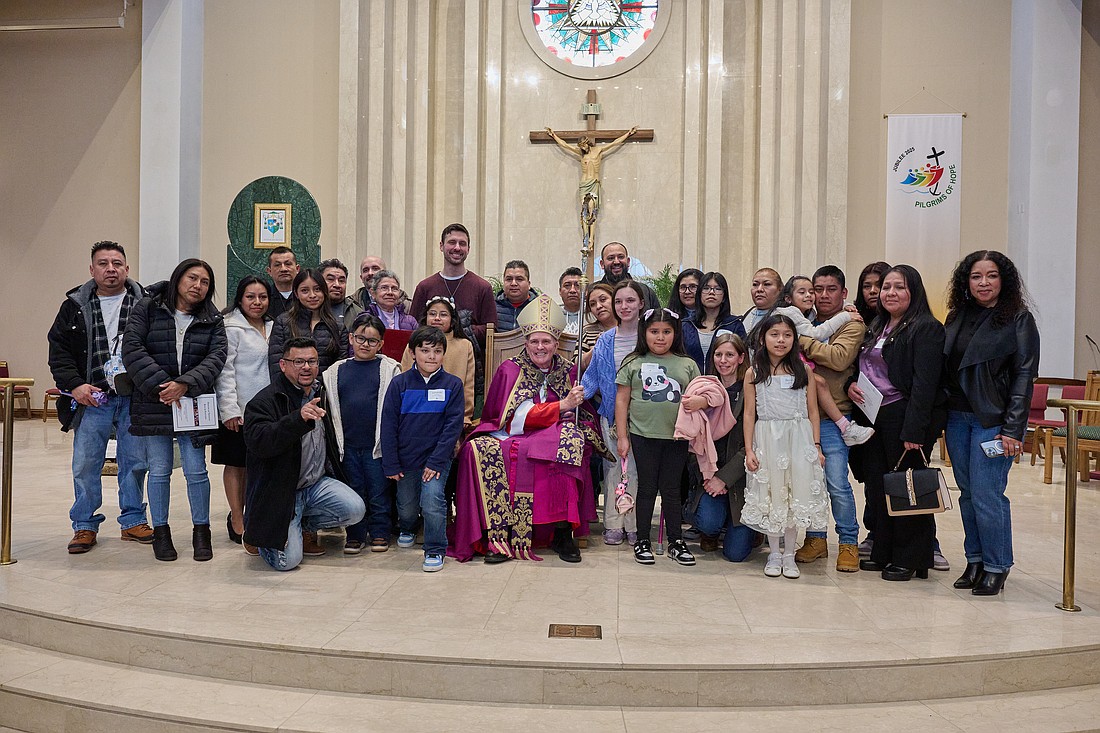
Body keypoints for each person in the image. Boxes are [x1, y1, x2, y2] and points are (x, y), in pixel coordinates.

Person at [452, 294, 606, 563]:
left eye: (546, 341)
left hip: (554, 432)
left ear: (557, 344)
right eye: (534, 341)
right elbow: (508, 418)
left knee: (570, 445)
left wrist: (573, 409)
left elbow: (582, 412)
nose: (540, 347)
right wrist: (561, 406)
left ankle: (561, 532)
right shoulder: (510, 369)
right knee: (477, 450)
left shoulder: (569, 370)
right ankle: (498, 535)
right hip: (512, 433)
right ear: (525, 343)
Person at [943, 250, 1039, 596]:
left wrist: (1013, 429)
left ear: (1004, 280)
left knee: (987, 494)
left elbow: (1024, 376)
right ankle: (975, 559)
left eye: (992, 275)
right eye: (976, 276)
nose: (984, 283)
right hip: (956, 417)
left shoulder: (1018, 318)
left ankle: (997, 565)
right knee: (968, 494)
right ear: (966, 282)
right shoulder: (956, 316)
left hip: (992, 421)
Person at [48, 241, 152, 553]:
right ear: (91, 269)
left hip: (134, 399)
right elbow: (59, 352)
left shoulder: (146, 304)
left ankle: (133, 520)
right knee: (85, 463)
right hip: (92, 398)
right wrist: (76, 386)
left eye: (117, 263)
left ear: (127, 269)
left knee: (135, 462)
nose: (111, 269)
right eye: (103, 263)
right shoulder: (73, 306)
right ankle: (84, 525)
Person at [122, 259, 227, 562]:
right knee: (159, 470)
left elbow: (216, 356)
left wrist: (184, 384)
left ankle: (201, 532)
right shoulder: (147, 307)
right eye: (192, 278)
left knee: (196, 470)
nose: (197, 285)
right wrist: (163, 386)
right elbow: (133, 348)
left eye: (205, 282)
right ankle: (162, 532)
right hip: (154, 400)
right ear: (178, 279)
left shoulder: (213, 318)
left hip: (192, 401)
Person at [848, 265, 946, 582]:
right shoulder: (878, 326)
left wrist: (915, 431)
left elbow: (925, 385)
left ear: (913, 291)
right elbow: (863, 366)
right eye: (886, 287)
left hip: (904, 416)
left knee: (908, 489)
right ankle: (884, 551)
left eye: (898, 287)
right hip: (873, 416)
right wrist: (851, 384)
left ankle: (911, 557)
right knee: (879, 487)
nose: (889, 293)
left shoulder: (926, 328)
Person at [243, 338, 366, 571]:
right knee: (287, 563)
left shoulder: (323, 393)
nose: (306, 367)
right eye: (298, 361)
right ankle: (259, 537)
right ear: (283, 365)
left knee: (355, 509)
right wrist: (297, 419)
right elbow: (260, 443)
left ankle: (301, 526)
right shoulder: (265, 401)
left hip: (315, 485)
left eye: (311, 361)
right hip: (281, 493)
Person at [741, 313, 828, 579]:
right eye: (774, 334)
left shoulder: (804, 371)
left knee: (794, 495)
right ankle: (775, 552)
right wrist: (749, 450)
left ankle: (790, 553)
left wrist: (816, 445)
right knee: (773, 494)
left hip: (798, 439)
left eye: (787, 335)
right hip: (768, 438)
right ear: (763, 338)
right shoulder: (753, 372)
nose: (781, 340)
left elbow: (813, 411)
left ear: (794, 339)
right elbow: (748, 414)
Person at [794, 266, 869, 572]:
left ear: (843, 293)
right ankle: (815, 538)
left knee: (837, 482)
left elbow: (838, 358)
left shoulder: (851, 325)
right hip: (799, 416)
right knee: (809, 483)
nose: (822, 295)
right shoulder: (806, 319)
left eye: (830, 289)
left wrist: (798, 339)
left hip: (832, 416)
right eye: (817, 289)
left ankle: (849, 542)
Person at [615, 307, 702, 566]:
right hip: (642, 435)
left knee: (672, 489)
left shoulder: (687, 364)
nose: (660, 337)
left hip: (677, 437)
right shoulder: (633, 362)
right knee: (647, 488)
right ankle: (643, 539)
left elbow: (703, 393)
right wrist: (622, 436)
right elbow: (622, 401)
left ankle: (676, 540)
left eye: (666, 332)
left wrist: (700, 401)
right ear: (645, 333)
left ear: (675, 334)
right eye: (654, 332)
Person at [382, 327, 465, 572]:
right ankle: (407, 527)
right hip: (406, 458)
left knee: (432, 500)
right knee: (406, 505)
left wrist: (437, 461)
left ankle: (435, 549)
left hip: (436, 458)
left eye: (437, 351)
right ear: (412, 352)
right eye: (425, 350)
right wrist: (391, 462)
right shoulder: (399, 384)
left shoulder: (453, 384)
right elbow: (388, 424)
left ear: (444, 355)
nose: (431, 356)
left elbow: (453, 427)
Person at [322, 313, 401, 554]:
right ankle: (355, 534)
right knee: (354, 489)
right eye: (360, 338)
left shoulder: (390, 369)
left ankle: (379, 532)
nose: (365, 344)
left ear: (381, 344)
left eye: (372, 341)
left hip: (376, 445)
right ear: (350, 339)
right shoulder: (335, 371)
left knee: (378, 492)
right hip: (348, 445)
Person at [581, 280, 646, 545]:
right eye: (619, 301)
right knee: (614, 468)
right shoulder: (606, 340)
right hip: (611, 412)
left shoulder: (650, 334)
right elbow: (592, 377)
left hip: (645, 416)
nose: (624, 306)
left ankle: (635, 524)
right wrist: (573, 397)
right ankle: (613, 523)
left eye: (630, 301)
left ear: (641, 303)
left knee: (639, 470)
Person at [774, 274, 874, 446]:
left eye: (811, 292)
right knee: (819, 382)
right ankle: (846, 428)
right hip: (784, 365)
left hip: (795, 365)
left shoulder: (806, 313)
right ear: (788, 298)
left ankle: (846, 427)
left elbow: (838, 357)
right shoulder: (790, 313)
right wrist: (845, 316)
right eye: (803, 292)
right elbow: (816, 333)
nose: (810, 296)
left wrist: (848, 307)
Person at [213, 275, 273, 544]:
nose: (257, 302)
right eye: (250, 296)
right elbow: (224, 371)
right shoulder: (230, 327)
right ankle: (237, 517)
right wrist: (229, 409)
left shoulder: (274, 326)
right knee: (237, 464)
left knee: (258, 465)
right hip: (239, 410)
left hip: (268, 411)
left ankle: (255, 513)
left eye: (262, 297)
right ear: (240, 298)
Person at [689, 334, 754, 561]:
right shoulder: (703, 390)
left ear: (741, 358)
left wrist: (725, 479)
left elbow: (754, 443)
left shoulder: (750, 392)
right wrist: (709, 478)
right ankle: (712, 529)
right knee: (708, 522)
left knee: (735, 555)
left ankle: (750, 530)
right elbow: (693, 441)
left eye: (730, 355)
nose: (723, 360)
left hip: (741, 478)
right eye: (718, 355)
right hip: (709, 476)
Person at [409, 223, 498, 347]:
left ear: (468, 249)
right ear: (441, 246)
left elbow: (491, 331)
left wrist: (460, 329)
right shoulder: (425, 287)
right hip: (430, 359)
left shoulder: (482, 287)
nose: (457, 248)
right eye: (452, 242)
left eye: (462, 243)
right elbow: (413, 327)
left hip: (468, 360)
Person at [401, 296, 476, 429]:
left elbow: (468, 384)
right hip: (417, 413)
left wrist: (465, 415)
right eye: (432, 314)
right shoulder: (413, 345)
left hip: (452, 414)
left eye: (443, 315)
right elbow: (405, 377)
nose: (437, 318)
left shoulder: (465, 345)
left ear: (452, 321)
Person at [268, 269, 349, 379]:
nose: (312, 295)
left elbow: (341, 367)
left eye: (317, 289)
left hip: (326, 392)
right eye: (305, 291)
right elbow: (276, 365)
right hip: (290, 392)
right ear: (296, 293)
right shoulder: (283, 322)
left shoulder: (338, 327)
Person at [681, 271, 747, 371]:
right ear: (699, 294)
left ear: (724, 296)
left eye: (717, 288)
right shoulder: (685, 325)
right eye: (706, 288)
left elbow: (743, 360)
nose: (711, 292)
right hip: (691, 384)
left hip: (724, 384)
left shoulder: (734, 325)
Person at [594, 242, 659, 310]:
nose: (616, 262)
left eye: (621, 257)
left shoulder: (645, 292)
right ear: (602, 264)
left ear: (628, 262)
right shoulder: (593, 293)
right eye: (611, 258)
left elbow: (656, 319)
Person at [319, 258, 365, 332]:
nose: (337, 285)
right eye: (330, 279)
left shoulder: (357, 313)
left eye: (341, 281)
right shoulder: (309, 309)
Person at [578, 283, 617, 368]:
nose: (598, 306)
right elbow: (577, 365)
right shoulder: (587, 331)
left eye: (603, 299)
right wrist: (597, 347)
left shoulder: (630, 326)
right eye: (592, 304)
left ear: (614, 299)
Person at [495, 260, 538, 331]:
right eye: (509, 279)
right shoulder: (492, 307)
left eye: (519, 279)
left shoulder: (539, 308)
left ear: (529, 284)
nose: (513, 283)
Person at [742, 267, 783, 337]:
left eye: (767, 284)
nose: (759, 289)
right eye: (755, 284)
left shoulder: (786, 314)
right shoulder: (748, 313)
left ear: (780, 289)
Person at [264, 246, 299, 319]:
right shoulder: (264, 298)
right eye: (277, 265)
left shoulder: (306, 297)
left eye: (288, 264)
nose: (283, 269)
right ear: (269, 271)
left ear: (297, 269)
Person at [558, 267, 583, 335]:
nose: (572, 290)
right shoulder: (552, 315)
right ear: (560, 291)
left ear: (585, 291)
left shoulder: (593, 316)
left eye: (577, 285)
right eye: (567, 285)